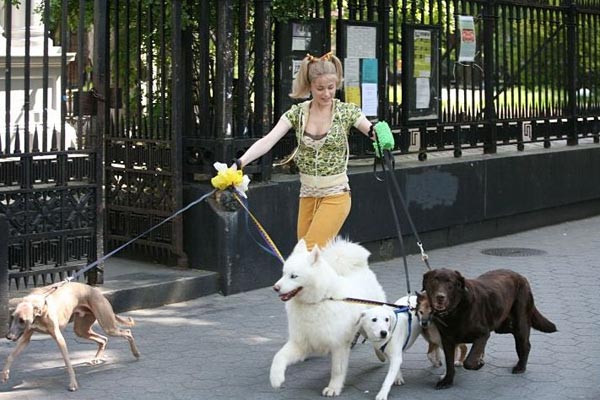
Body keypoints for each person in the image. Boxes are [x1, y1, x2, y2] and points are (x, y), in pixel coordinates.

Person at [231, 52, 386, 250]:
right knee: (308, 256)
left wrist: (380, 135)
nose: (327, 94)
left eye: (331, 87)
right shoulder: (297, 113)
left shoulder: (346, 111)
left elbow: (370, 130)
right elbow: (268, 141)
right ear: (309, 85)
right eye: (320, 88)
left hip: (336, 194)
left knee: (308, 253)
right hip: (308, 194)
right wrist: (239, 163)